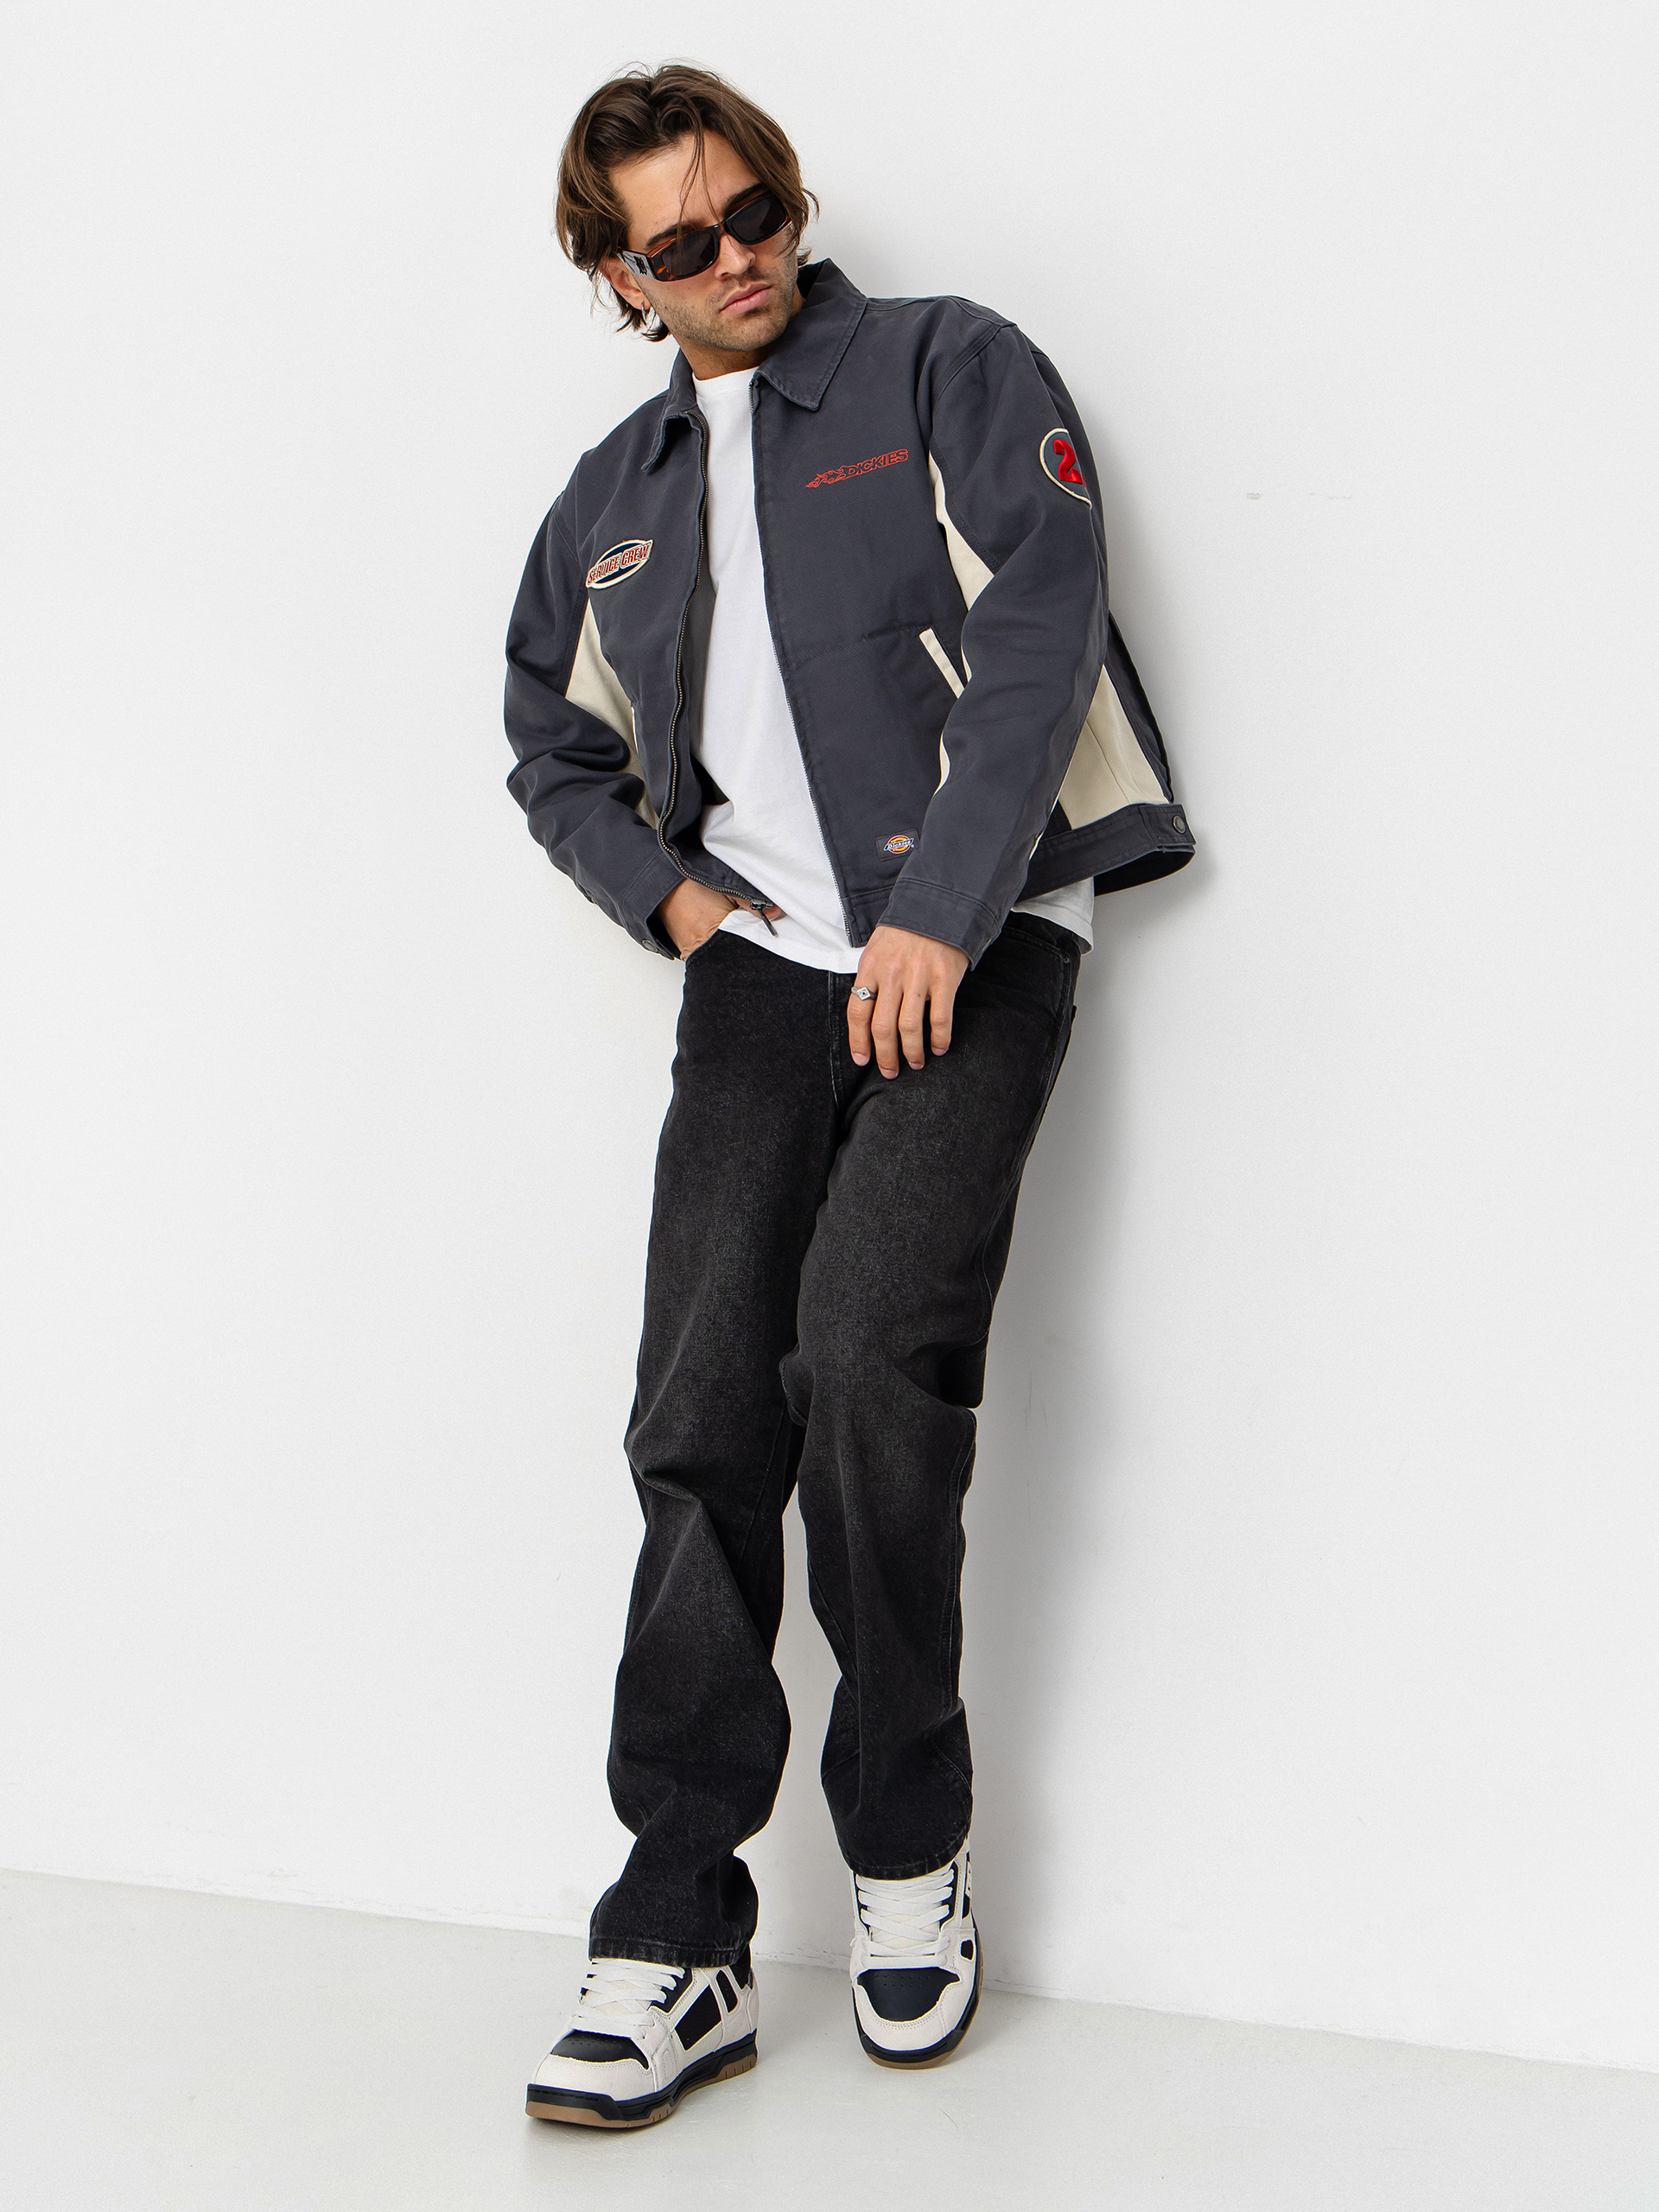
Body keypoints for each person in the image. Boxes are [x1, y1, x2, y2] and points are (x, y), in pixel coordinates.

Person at [504, 63, 1193, 2130]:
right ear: (619, 276)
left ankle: (907, 1847)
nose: (740, 257)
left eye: (758, 209)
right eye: (683, 243)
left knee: (870, 1360)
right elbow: (551, 741)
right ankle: (676, 1931)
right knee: (701, 1411)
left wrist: (942, 918)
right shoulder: (613, 499)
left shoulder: (943, 368)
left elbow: (1044, 622)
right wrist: (678, 905)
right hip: (764, 978)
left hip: (970, 950)